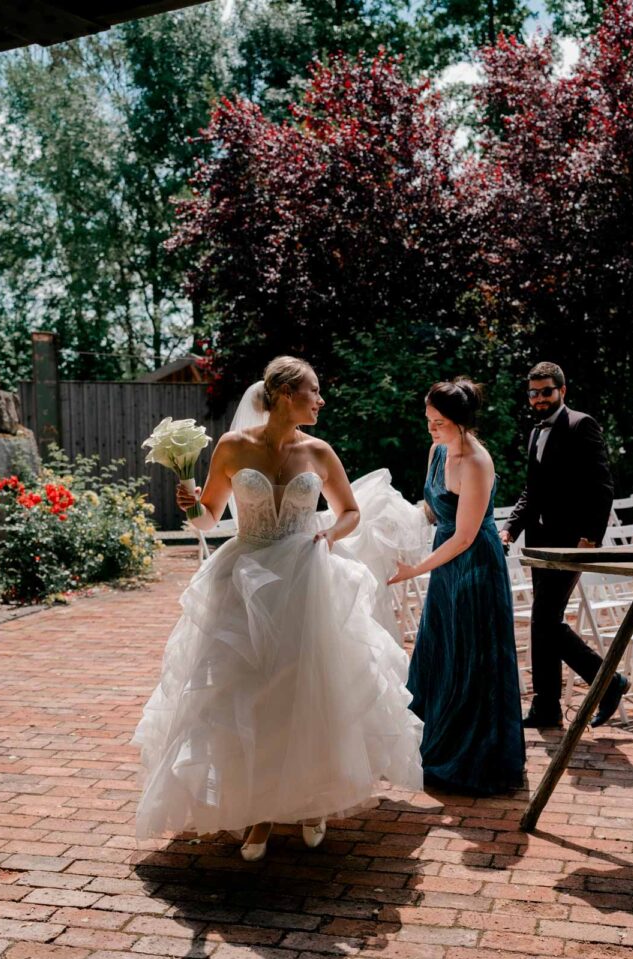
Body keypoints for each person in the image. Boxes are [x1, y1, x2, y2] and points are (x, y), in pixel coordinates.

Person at [134, 356, 423, 859]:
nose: (322, 399)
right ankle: (260, 812)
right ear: (288, 394)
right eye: (315, 390)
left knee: (310, 690)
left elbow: (350, 511)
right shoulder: (232, 446)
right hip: (245, 579)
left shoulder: (319, 451)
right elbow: (208, 520)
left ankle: (313, 804)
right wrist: (191, 505)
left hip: (307, 576)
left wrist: (328, 535)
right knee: (250, 695)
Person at [388, 378, 525, 794]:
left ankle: (472, 756)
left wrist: (415, 570)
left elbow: (464, 536)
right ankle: (431, 745)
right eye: (428, 420)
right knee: (440, 647)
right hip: (444, 560)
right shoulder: (437, 451)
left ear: (462, 421)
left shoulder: (477, 462)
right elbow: (432, 510)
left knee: (471, 654)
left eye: (439, 422)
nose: (431, 429)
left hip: (474, 565)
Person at [500, 361, 626, 729]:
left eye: (546, 392)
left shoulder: (580, 424)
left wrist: (591, 537)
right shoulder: (534, 431)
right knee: (545, 622)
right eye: (533, 393)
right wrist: (510, 528)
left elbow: (602, 485)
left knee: (544, 621)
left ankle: (606, 682)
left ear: (562, 391)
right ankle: (548, 707)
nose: (539, 398)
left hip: (571, 542)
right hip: (540, 542)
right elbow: (532, 491)